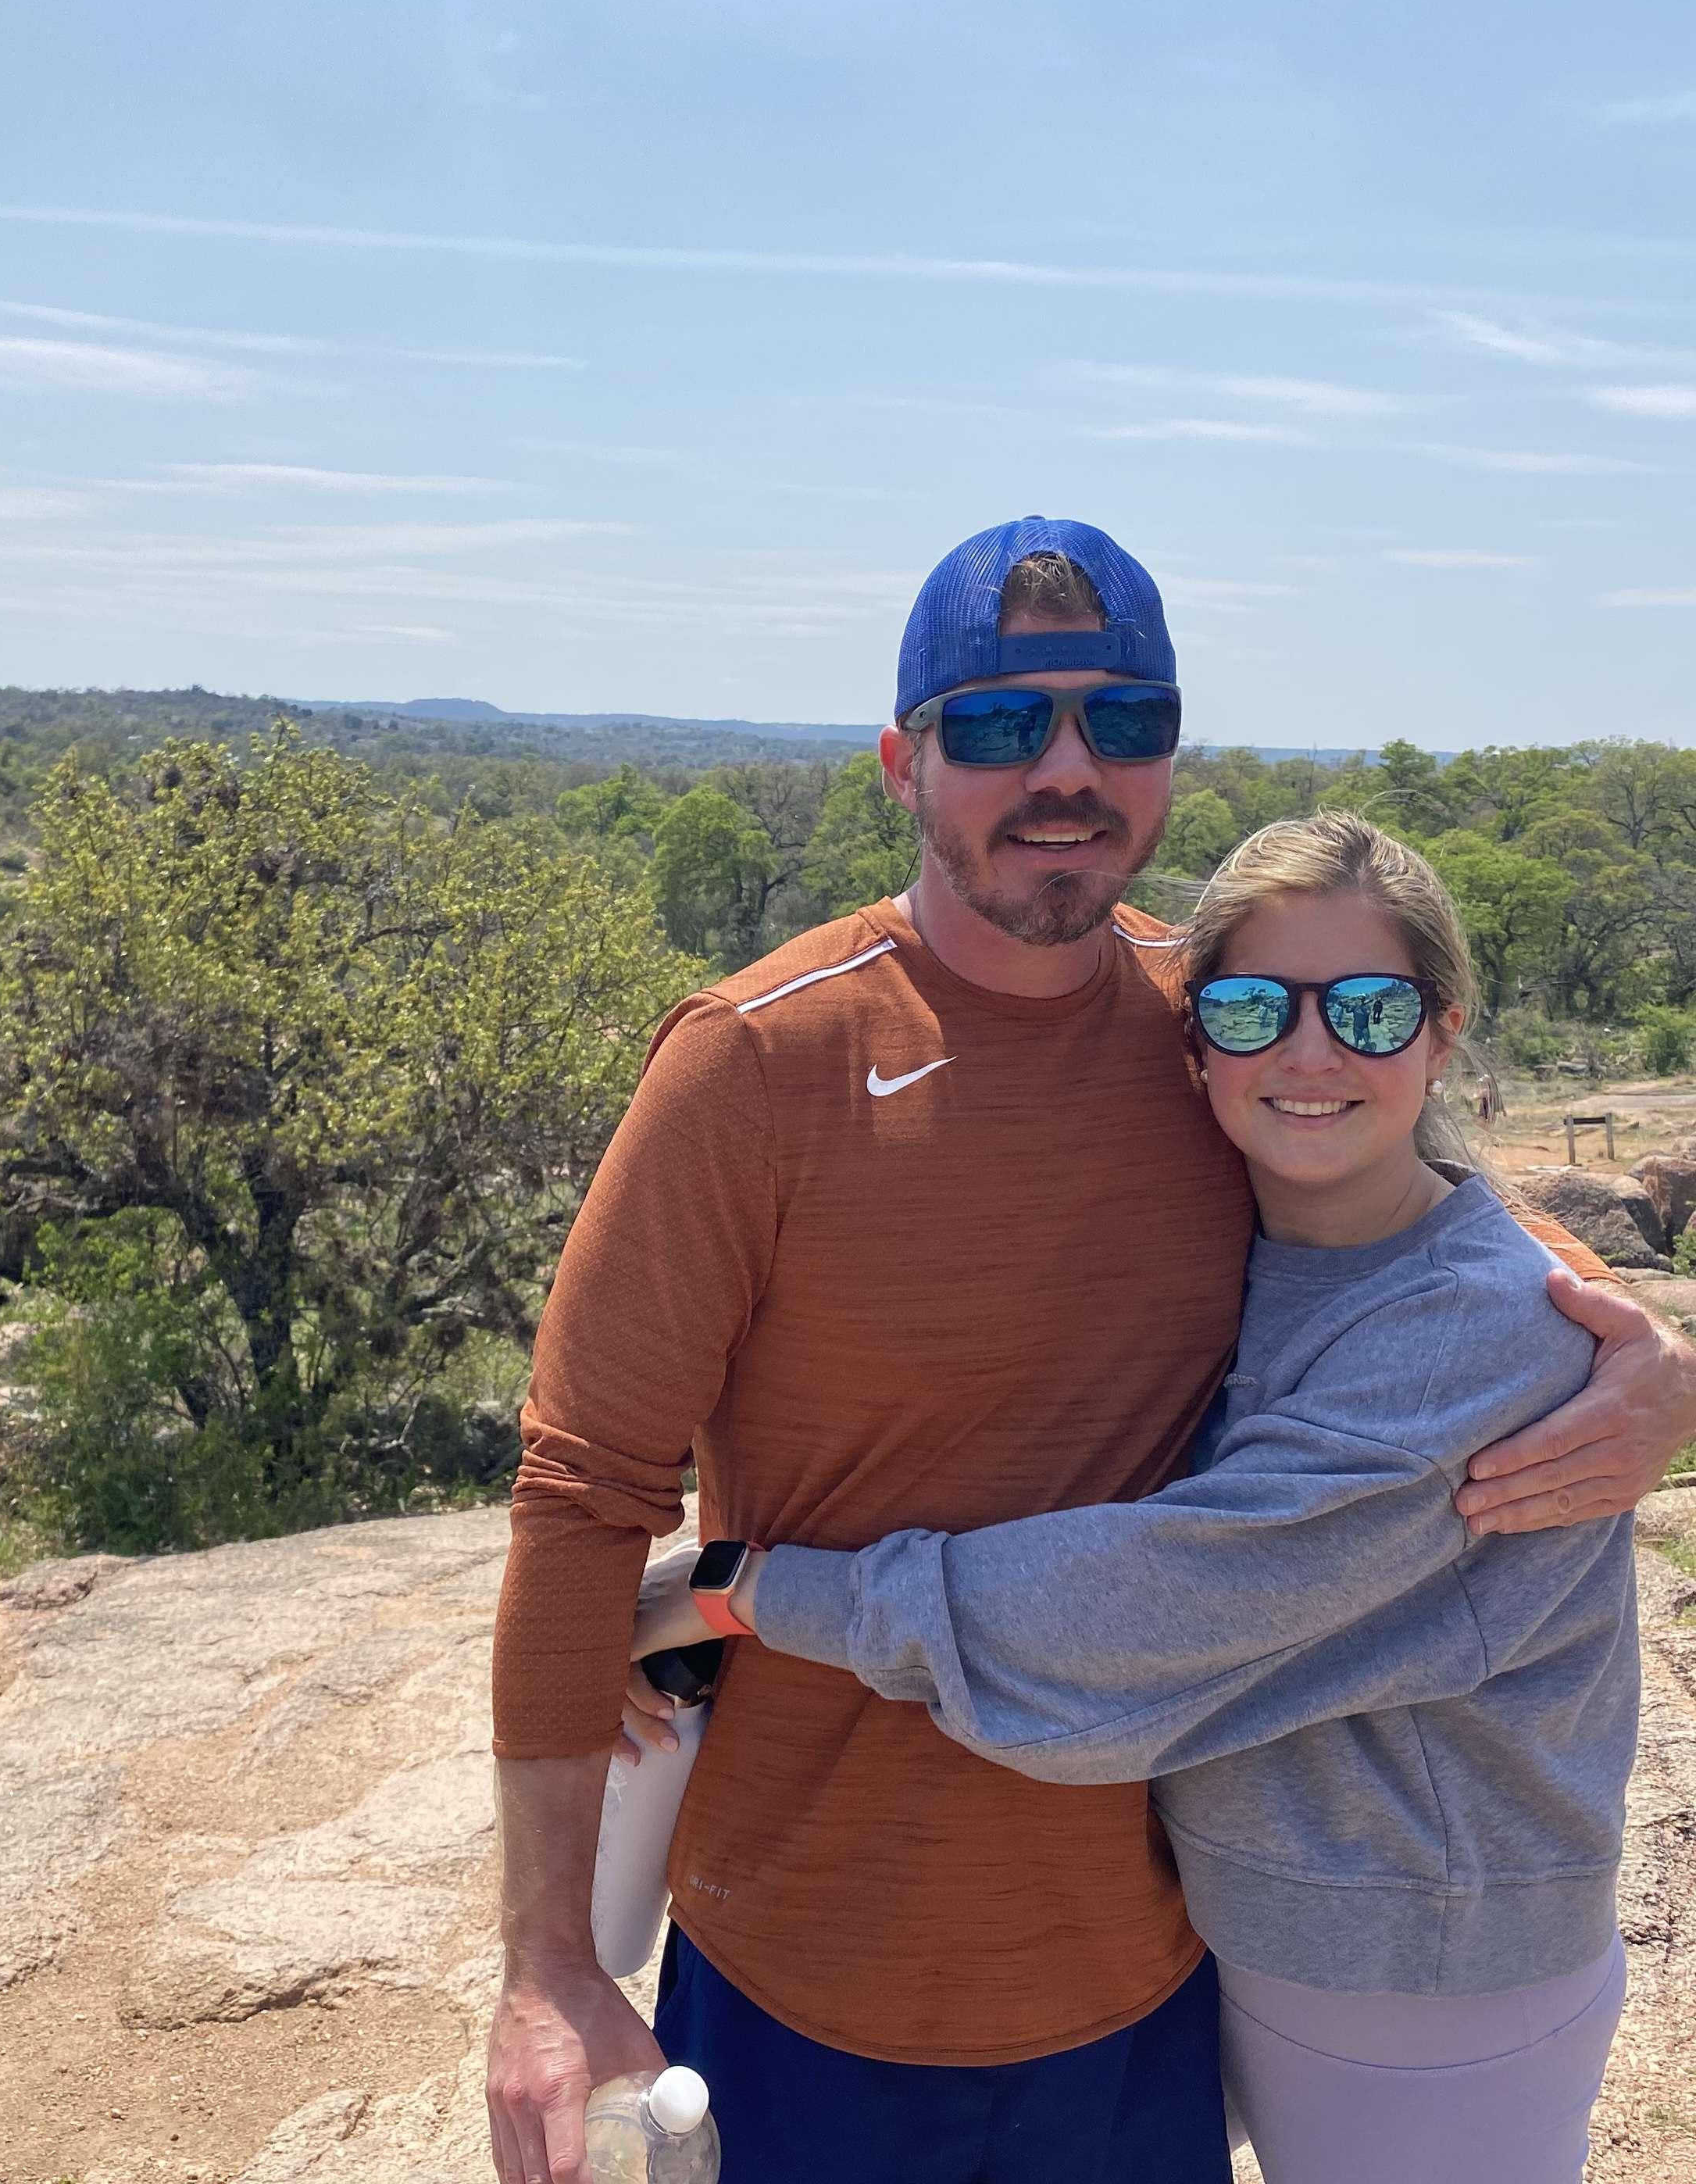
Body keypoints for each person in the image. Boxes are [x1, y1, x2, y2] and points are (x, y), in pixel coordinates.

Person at [484, 515, 1696, 2184]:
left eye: (1120, 720)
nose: (1066, 768)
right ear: (903, 763)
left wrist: (1645, 1360)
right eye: (999, 723)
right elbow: (582, 1489)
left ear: (1169, 758)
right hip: (813, 1965)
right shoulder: (757, 1065)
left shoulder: (1207, 1023)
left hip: (1150, 1964)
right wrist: (549, 1965)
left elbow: (1411, 1185)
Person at [625, 810, 1637, 2182]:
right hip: (1270, 1944)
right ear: (1194, 1037)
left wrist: (744, 1589)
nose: (1310, 1049)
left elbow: (1154, 1605)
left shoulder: (1479, 1330)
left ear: (1445, 1031)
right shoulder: (1269, 1239)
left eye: (1373, 1009)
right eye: (1249, 1005)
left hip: (1426, 1967)